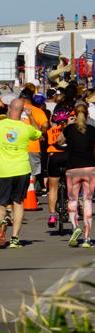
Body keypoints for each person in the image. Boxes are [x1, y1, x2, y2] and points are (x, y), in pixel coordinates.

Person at [0, 99, 42, 248]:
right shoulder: (26, 127)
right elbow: (39, 134)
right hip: (22, 169)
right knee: (18, 203)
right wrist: (31, 117)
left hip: (3, 170)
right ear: (22, 111)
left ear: (9, 108)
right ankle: (15, 237)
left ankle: (2, 220)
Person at [60, 104, 95, 247]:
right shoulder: (93, 130)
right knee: (88, 200)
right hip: (90, 168)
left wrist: (67, 125)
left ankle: (76, 227)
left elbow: (59, 142)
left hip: (73, 168)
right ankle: (87, 239)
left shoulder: (69, 129)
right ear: (87, 114)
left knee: (72, 199)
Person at [45, 108, 72, 229]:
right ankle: (71, 210)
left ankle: (52, 215)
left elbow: (49, 143)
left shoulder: (51, 131)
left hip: (54, 157)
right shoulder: (72, 130)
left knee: (53, 187)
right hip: (68, 158)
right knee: (71, 185)